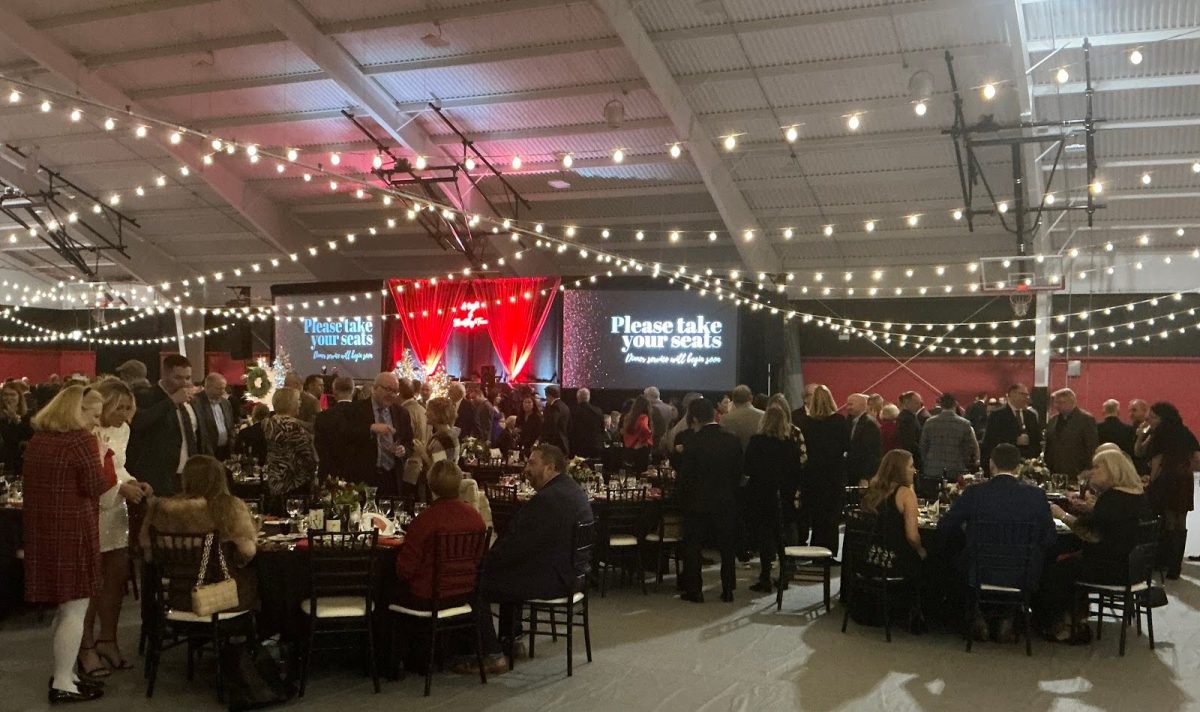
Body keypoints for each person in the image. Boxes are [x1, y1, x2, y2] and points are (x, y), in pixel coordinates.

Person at [468, 445, 592, 673]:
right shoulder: (573, 491)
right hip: (572, 574)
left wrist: (483, 563)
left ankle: (493, 655)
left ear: (550, 467)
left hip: (553, 580)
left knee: (477, 585)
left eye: (532, 463)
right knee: (507, 573)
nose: (527, 469)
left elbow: (515, 545)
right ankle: (513, 639)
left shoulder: (547, 500)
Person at [23, 385, 111, 702]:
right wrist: (100, 455)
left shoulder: (39, 440)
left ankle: (67, 673)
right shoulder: (81, 441)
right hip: (74, 531)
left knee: (65, 608)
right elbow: (95, 486)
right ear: (79, 410)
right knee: (75, 608)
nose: (96, 423)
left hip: (43, 531)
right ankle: (63, 681)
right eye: (94, 415)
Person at [937, 442, 1057, 638]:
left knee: (952, 559)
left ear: (991, 464)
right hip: (1023, 570)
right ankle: (1009, 614)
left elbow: (945, 526)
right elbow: (1049, 537)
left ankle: (974, 612)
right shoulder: (1036, 496)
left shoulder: (975, 493)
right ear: (1018, 467)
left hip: (979, 568)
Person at [81, 380, 151, 677]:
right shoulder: (86, 431)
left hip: (116, 516)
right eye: (118, 407)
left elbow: (117, 466)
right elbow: (91, 474)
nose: (123, 413)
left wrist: (131, 482)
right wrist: (121, 489)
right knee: (90, 585)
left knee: (116, 579)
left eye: (127, 407)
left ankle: (108, 640)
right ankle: (84, 648)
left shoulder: (124, 430)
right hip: (91, 510)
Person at [1046, 449, 1152, 640]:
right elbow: (1113, 522)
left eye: (1097, 467)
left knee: (1055, 569)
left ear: (1111, 470)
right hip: (1134, 567)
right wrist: (1093, 508)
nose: (1092, 471)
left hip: (1111, 568)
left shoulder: (1113, 498)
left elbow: (1091, 534)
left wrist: (1060, 514)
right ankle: (1078, 618)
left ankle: (1063, 624)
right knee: (1071, 561)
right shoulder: (1138, 495)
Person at [139, 455, 259, 612]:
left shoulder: (163, 511)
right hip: (222, 598)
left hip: (178, 598)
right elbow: (247, 551)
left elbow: (149, 555)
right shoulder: (230, 508)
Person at [394, 461, 486, 610]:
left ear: (430, 485)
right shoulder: (476, 518)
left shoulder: (424, 521)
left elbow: (405, 570)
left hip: (427, 597)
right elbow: (479, 559)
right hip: (467, 595)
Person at [676, 398, 742, 602]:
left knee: (693, 546)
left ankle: (694, 590)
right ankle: (728, 588)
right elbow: (738, 472)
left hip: (696, 502)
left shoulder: (691, 442)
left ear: (694, 418)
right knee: (726, 546)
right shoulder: (731, 439)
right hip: (725, 499)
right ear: (715, 414)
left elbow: (685, 476)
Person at [744, 405, 806, 592]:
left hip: (761, 493)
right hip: (785, 493)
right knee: (783, 535)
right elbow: (798, 470)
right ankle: (785, 575)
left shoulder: (756, 442)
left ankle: (765, 576)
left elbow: (747, 468)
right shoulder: (790, 444)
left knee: (764, 535)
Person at [127, 353, 202, 497]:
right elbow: (137, 423)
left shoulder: (192, 400)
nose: (184, 383)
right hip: (158, 478)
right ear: (165, 374)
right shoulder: (146, 396)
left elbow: (198, 435)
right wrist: (171, 401)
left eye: (187, 378)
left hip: (188, 475)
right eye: (178, 378)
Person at [1141, 401, 1200, 578]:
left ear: (1161, 417)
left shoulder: (1160, 432)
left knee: (1168, 518)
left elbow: (1157, 460)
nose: (1149, 420)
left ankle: (1164, 561)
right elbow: (1197, 455)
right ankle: (1176, 567)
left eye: (1152, 416)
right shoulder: (1184, 430)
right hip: (1184, 477)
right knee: (1181, 520)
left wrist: (1151, 481)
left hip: (1167, 477)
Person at [796, 385, 849, 558]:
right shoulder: (840, 422)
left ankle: (814, 548)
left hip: (811, 475)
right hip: (833, 475)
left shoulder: (804, 423)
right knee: (832, 517)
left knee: (815, 515)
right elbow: (846, 447)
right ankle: (829, 552)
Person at [343, 372, 414, 497]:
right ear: (374, 388)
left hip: (392, 478)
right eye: (388, 389)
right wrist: (370, 428)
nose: (391, 394)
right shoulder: (355, 410)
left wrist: (404, 450)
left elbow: (409, 442)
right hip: (363, 478)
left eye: (395, 391)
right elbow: (345, 434)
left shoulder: (401, 413)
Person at [860, 449, 927, 577]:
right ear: (899, 470)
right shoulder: (906, 494)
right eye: (911, 466)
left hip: (869, 559)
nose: (914, 470)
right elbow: (912, 537)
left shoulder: (874, 491)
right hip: (894, 562)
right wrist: (921, 549)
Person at [262, 387, 318, 503]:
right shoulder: (291, 427)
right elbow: (307, 456)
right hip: (294, 482)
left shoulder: (270, 423)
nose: (300, 403)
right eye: (298, 400)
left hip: (276, 479)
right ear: (289, 403)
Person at [919, 393, 979, 495]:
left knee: (931, 500)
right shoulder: (964, 424)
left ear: (940, 405)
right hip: (956, 469)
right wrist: (965, 463)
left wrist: (927, 462)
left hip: (932, 469)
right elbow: (968, 449)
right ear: (955, 404)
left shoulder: (929, 422)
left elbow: (923, 446)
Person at [404, 397, 461, 503]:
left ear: (438, 414)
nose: (425, 414)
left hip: (437, 493)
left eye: (429, 411)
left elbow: (438, 470)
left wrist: (422, 452)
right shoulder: (448, 435)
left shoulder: (443, 439)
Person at [980, 383, 1043, 465]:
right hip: (1005, 463)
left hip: (1027, 465)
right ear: (1012, 394)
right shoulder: (997, 415)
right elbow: (990, 441)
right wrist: (1015, 440)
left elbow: (1037, 441)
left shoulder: (1031, 416)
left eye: (1027, 395)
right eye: (1023, 394)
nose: (1026, 398)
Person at [1044, 388, 1099, 478]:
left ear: (1072, 402)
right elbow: (1048, 446)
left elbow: (1091, 446)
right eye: (1055, 402)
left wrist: (1088, 469)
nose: (1057, 405)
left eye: (1061, 402)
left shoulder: (1086, 419)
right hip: (1054, 471)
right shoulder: (1052, 420)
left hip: (1077, 470)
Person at [314, 376, 356, 477]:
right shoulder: (363, 414)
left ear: (334, 392)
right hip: (356, 473)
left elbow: (319, 445)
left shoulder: (322, 417)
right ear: (353, 391)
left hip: (329, 472)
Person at [193, 372, 236, 461]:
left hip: (225, 451)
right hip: (206, 453)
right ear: (207, 387)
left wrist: (232, 448)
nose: (222, 392)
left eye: (223, 388)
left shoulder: (226, 403)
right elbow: (202, 431)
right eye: (219, 388)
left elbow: (230, 426)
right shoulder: (196, 402)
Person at [845, 393, 882, 487]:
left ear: (862, 405)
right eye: (847, 404)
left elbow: (873, 453)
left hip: (863, 474)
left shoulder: (870, 424)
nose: (848, 407)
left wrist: (866, 477)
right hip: (849, 473)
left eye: (851, 404)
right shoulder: (847, 422)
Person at [0, 381, 33, 473]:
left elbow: (29, 436)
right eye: (5, 395)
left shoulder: (28, 416)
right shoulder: (1, 416)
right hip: (3, 460)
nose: (8, 398)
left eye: (12, 395)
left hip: (19, 461)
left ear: (19, 397)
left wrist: (15, 419)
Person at [720, 385, 764, 451]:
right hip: (758, 457)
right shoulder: (764, 416)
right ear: (751, 398)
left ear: (733, 400)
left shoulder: (726, 419)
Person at [569, 387, 605, 458]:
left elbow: (570, 430)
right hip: (595, 447)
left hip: (578, 447)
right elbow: (602, 430)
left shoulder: (572, 411)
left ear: (578, 398)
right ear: (588, 397)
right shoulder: (598, 411)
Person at [540, 385, 571, 454]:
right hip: (564, 442)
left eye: (546, 396)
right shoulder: (565, 406)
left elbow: (551, 425)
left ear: (549, 395)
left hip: (555, 444)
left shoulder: (554, 407)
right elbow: (569, 425)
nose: (546, 398)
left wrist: (546, 440)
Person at [896, 391, 924, 468]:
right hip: (911, 459)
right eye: (916, 403)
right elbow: (909, 442)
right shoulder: (907, 419)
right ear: (907, 403)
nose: (919, 406)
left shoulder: (910, 416)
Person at [398, 378, 428, 447]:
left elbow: (405, 438)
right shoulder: (422, 409)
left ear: (399, 393)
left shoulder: (404, 412)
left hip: (412, 454)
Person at [1130, 398, 1152, 475]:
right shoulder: (1130, 429)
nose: (1131, 414)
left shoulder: (1151, 430)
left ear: (1145, 411)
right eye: (1130, 411)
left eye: (1134, 410)